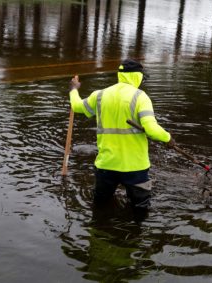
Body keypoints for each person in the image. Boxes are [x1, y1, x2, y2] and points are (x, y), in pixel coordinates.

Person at [68, 59, 175, 216]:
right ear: (137, 76)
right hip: (135, 167)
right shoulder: (140, 97)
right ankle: (134, 235)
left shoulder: (99, 95)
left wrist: (73, 90)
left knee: (100, 205)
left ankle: (99, 233)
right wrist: (168, 138)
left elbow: (76, 106)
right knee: (140, 208)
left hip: (106, 165)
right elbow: (152, 130)